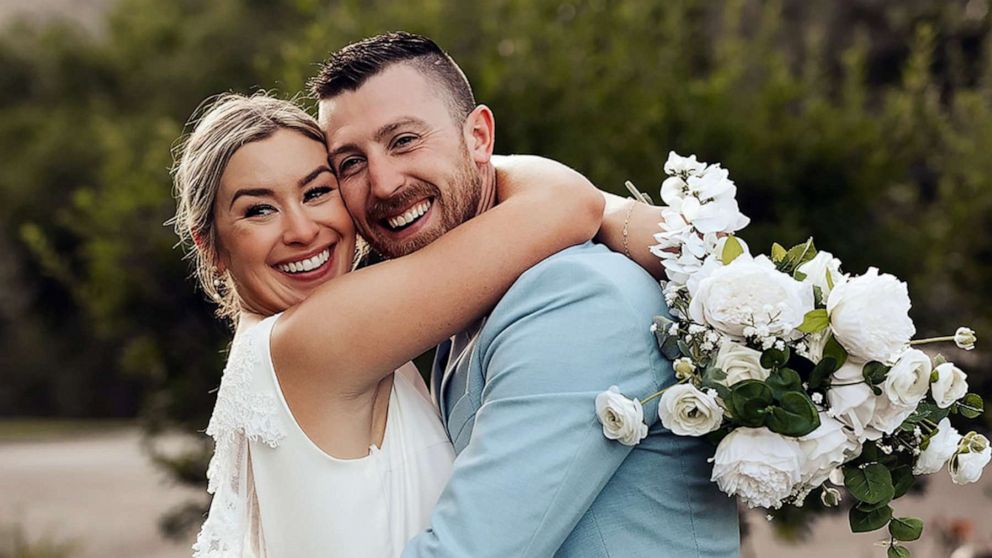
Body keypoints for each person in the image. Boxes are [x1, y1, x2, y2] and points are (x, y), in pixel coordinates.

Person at [311, 32, 741, 557]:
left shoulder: (576, 298)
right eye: (350, 162)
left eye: (404, 140)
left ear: (478, 138)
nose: (381, 183)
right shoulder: (465, 309)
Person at [173, 92, 656, 556]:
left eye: (318, 191)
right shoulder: (315, 338)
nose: (301, 231)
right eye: (259, 209)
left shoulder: (281, 348)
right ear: (210, 246)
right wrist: (620, 214)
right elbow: (564, 203)